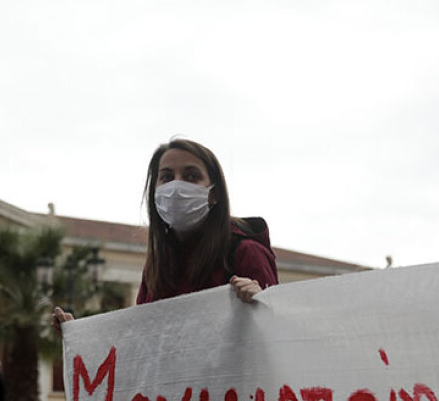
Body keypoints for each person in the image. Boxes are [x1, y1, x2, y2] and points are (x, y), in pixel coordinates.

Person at [54, 139, 277, 327]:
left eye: (191, 176)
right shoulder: (157, 266)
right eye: (167, 177)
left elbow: (277, 334)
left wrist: (262, 301)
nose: (176, 187)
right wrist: (81, 337)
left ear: (214, 194)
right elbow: (143, 340)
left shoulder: (246, 252)